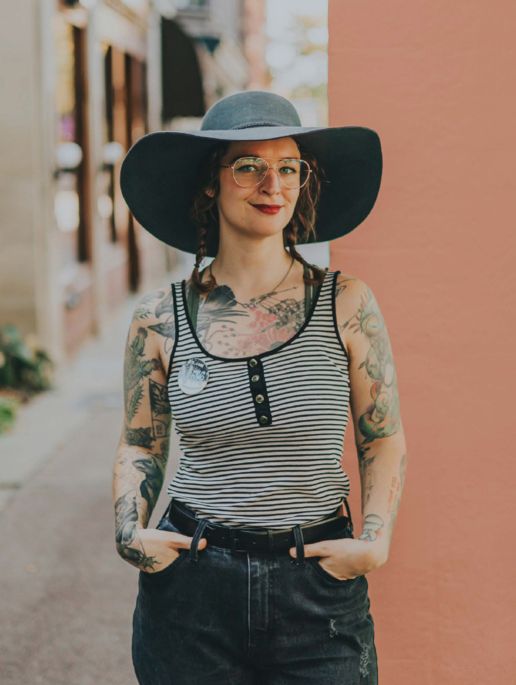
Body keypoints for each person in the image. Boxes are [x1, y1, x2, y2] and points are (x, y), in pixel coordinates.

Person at [113, 90, 407, 685]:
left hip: (317, 590)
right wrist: (129, 530)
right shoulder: (160, 317)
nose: (272, 183)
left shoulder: (346, 303)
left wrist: (374, 542)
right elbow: (141, 443)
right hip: (191, 588)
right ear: (210, 185)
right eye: (248, 165)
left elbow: (383, 439)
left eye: (289, 167)